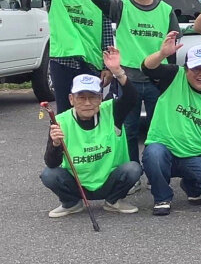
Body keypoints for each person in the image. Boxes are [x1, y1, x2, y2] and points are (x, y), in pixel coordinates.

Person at [78, 0, 179, 170]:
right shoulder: (120, 6)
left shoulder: (166, 10)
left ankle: (156, 172)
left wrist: (168, 82)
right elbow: (97, 0)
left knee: (158, 130)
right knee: (129, 130)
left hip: (156, 81)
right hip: (127, 80)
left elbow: (172, 52)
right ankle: (133, 172)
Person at [2, 0, 115, 113]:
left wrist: (107, 67)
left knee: (91, 113)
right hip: (62, 64)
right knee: (63, 117)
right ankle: (57, 144)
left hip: (91, 64)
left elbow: (107, 34)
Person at [41, 49, 142, 218]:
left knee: (133, 169)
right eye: (81, 97)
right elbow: (51, 163)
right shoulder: (61, 120)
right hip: (77, 184)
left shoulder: (112, 111)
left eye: (93, 97)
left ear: (100, 98)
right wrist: (56, 145)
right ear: (71, 99)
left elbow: (132, 97)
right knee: (49, 175)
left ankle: (113, 201)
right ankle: (71, 203)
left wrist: (117, 72)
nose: (87, 103)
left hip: (108, 181)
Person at [141, 39, 201, 216]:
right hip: (164, 151)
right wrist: (162, 54)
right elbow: (147, 68)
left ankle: (191, 186)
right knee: (153, 154)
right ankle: (162, 198)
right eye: (195, 69)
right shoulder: (173, 75)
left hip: (197, 155)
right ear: (186, 69)